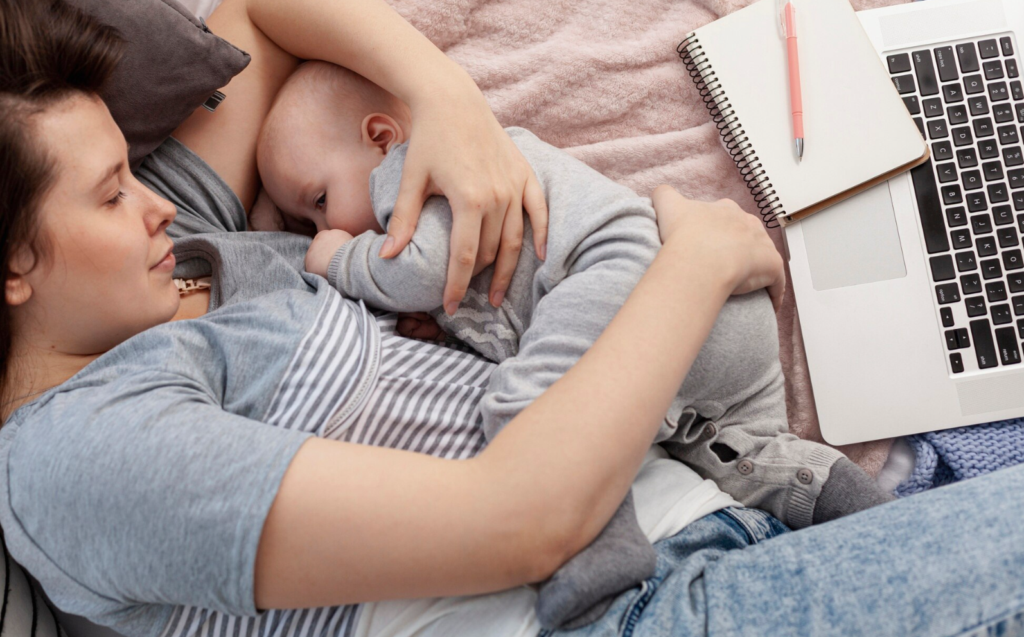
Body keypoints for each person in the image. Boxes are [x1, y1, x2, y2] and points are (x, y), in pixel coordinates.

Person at [0, 1, 1022, 637]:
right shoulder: (75, 456)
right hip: (618, 607)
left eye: (136, 170)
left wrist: (441, 97)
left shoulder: (172, 263)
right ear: (12, 266)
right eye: (108, 193)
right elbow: (521, 523)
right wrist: (693, 263)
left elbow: (260, 15)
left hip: (713, 512)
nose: (159, 200)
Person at [255, 61, 894, 629]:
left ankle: (596, 577)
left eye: (317, 201)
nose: (323, 225)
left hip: (616, 268)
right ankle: (871, 513)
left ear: (381, 137)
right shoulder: (426, 182)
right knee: (749, 455)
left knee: (531, 413)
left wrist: (338, 259)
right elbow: (467, 295)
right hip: (721, 327)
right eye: (304, 224)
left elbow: (419, 268)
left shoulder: (421, 169)